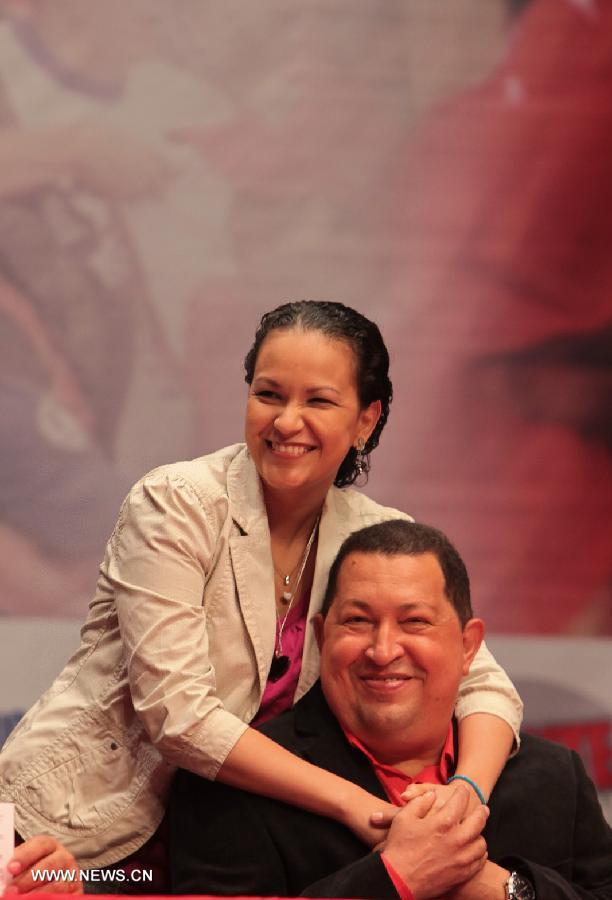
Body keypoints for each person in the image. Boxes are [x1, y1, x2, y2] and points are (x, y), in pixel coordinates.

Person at [0, 301, 522, 890]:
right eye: (269, 394)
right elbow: (177, 714)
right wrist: (353, 804)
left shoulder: (373, 536)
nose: (287, 422)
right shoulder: (176, 501)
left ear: (365, 421)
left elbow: (481, 679)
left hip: (219, 834)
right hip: (69, 825)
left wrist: (467, 793)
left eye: (318, 401)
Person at [170, 520, 612, 900]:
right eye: (358, 621)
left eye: (414, 622)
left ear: (468, 646)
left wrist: (508, 889)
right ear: (323, 640)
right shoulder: (230, 787)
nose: (382, 651)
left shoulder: (555, 776)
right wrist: (393, 879)